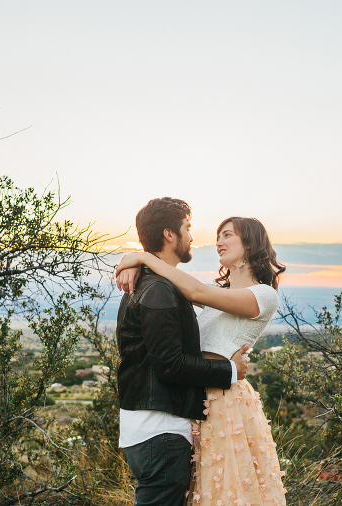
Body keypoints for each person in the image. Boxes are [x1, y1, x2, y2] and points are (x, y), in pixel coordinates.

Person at [117, 215, 288, 506]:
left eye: (228, 235)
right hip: (194, 397)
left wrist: (140, 256)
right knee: (198, 492)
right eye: (218, 236)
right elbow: (174, 283)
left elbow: (194, 290)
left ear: (250, 242)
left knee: (226, 491)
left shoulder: (264, 295)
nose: (219, 242)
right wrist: (133, 262)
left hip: (225, 401)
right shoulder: (218, 292)